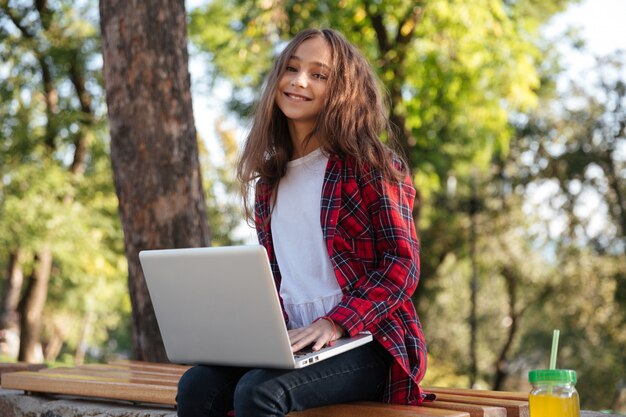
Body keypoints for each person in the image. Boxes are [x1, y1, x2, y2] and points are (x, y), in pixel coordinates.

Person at [177, 28, 430, 417]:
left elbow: (402, 265)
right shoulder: (270, 182)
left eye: (318, 74)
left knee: (257, 393)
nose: (298, 81)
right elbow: (282, 281)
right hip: (294, 342)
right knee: (197, 386)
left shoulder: (370, 166)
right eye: (291, 69)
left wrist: (335, 323)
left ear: (342, 89)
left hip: (368, 341)